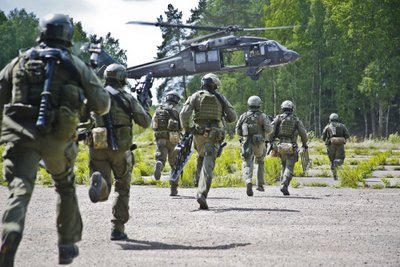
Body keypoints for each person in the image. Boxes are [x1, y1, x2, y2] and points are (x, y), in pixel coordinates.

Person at [0, 13, 110, 266]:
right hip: (58, 139)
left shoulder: (19, 61)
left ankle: (11, 231)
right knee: (64, 184)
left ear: (42, 33)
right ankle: (67, 245)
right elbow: (102, 104)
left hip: (21, 137)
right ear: (68, 36)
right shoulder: (74, 64)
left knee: (20, 188)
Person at [87, 63, 151, 240]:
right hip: (120, 150)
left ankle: (100, 183)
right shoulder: (127, 98)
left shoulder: (94, 96)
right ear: (123, 78)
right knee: (122, 186)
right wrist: (144, 106)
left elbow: (82, 119)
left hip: (97, 146)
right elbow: (145, 122)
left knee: (104, 184)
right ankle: (117, 228)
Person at [180, 73, 237, 209]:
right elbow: (233, 117)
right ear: (215, 84)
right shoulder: (220, 98)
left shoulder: (196, 95)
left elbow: (183, 113)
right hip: (213, 135)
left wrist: (188, 128)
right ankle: (201, 193)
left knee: (201, 157)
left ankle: (198, 183)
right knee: (208, 163)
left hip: (198, 135)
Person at [236, 96, 272, 196]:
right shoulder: (262, 116)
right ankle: (260, 185)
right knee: (260, 161)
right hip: (259, 144)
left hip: (246, 142)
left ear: (249, 104)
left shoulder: (243, 116)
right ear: (259, 104)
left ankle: (248, 181)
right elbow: (269, 130)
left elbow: (237, 130)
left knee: (247, 163)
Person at [270, 100, 308, 196]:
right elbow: (303, 133)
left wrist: (271, 142)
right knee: (289, 167)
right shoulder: (296, 120)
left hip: (279, 146)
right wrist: (304, 143)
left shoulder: (278, 118)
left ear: (282, 108)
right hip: (291, 146)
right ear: (292, 109)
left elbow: (270, 131)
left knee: (283, 165)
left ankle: (283, 183)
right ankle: (284, 185)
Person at [151, 91, 182, 196]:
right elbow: (182, 126)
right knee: (174, 164)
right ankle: (173, 189)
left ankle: (159, 164)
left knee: (160, 158)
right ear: (176, 100)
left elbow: (153, 125)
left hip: (160, 138)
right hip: (173, 139)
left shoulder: (158, 109)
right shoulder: (175, 111)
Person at [322, 113, 350, 180]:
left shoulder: (327, 127)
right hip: (340, 145)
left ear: (330, 119)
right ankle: (337, 162)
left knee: (332, 161)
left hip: (330, 145)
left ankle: (334, 175)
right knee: (340, 159)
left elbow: (323, 137)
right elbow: (347, 135)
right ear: (337, 119)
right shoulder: (342, 126)